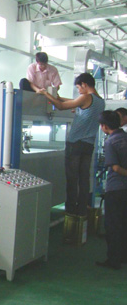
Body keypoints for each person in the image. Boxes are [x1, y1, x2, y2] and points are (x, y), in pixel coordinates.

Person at [38, 72, 105, 216]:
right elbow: (72, 101)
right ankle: (82, 210)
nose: (79, 91)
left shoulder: (86, 97)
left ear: (84, 85)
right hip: (89, 145)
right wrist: (56, 96)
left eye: (79, 88)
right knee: (84, 179)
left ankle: (70, 212)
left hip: (75, 144)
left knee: (72, 179)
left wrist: (45, 94)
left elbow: (62, 106)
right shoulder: (100, 101)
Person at [95, 110, 127, 270]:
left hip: (116, 189)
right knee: (124, 223)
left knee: (113, 225)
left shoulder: (110, 142)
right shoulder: (125, 137)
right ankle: (123, 257)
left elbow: (115, 167)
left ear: (104, 126)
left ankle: (114, 260)